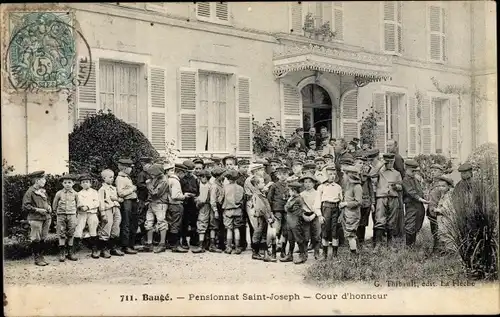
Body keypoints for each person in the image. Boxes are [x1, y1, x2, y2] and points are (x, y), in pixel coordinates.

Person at [373, 153, 403, 251]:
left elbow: (401, 186)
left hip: (393, 197)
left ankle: (390, 244)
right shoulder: (380, 172)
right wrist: (381, 164)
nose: (389, 164)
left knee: (392, 221)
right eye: (387, 162)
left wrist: (396, 187)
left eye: (391, 162)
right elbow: (371, 174)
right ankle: (378, 244)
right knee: (379, 220)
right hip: (381, 197)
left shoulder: (397, 173)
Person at [22, 171, 52, 266]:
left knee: (43, 237)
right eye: (43, 179)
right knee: (36, 238)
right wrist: (37, 210)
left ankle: (41, 256)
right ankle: (37, 257)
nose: (45, 181)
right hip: (35, 218)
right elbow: (25, 206)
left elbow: (46, 202)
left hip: (46, 217)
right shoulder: (30, 191)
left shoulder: (43, 191)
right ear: (36, 180)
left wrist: (49, 206)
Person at [314, 165, 342, 259]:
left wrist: (341, 214)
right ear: (326, 175)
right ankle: (324, 254)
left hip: (336, 209)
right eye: (330, 174)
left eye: (334, 174)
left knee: (335, 232)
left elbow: (341, 201)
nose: (332, 176)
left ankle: (335, 254)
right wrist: (319, 215)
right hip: (325, 209)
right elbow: (317, 202)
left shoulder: (338, 187)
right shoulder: (321, 187)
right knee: (325, 231)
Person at [402, 159, 429, 247]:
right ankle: (409, 246)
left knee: (418, 223)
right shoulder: (405, 179)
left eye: (415, 171)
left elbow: (420, 190)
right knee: (410, 225)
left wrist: (424, 197)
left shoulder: (415, 179)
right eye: (412, 171)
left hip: (419, 205)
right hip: (411, 205)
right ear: (406, 169)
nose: (414, 173)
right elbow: (411, 192)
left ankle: (413, 244)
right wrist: (421, 199)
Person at [52, 174, 80, 262]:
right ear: (62, 184)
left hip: (72, 215)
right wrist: (55, 212)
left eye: (69, 182)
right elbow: (54, 204)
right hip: (61, 215)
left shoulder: (75, 194)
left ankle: (70, 252)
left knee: (71, 232)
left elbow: (78, 204)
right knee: (61, 232)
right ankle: (62, 252)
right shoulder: (59, 193)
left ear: (73, 183)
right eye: (65, 183)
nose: (67, 184)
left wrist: (77, 214)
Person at [97, 169, 123, 258]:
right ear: (104, 178)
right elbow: (101, 201)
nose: (112, 179)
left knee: (116, 227)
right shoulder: (102, 189)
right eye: (110, 177)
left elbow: (116, 198)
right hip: (108, 209)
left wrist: (118, 199)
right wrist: (103, 213)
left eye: (113, 177)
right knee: (107, 226)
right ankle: (104, 249)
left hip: (116, 208)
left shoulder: (114, 188)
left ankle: (113, 247)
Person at [143, 164, 169, 253]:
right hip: (152, 203)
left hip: (160, 203)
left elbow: (155, 193)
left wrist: (148, 184)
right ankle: (149, 243)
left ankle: (162, 244)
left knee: (161, 222)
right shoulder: (155, 178)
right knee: (148, 222)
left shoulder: (163, 180)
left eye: (152, 173)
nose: (151, 175)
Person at [115, 158, 139, 254]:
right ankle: (125, 246)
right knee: (126, 223)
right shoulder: (120, 178)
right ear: (124, 168)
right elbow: (120, 193)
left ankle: (131, 244)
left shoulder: (127, 177)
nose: (131, 169)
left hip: (132, 201)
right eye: (129, 167)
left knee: (133, 223)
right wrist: (132, 189)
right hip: (126, 202)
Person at [251, 176, 277, 262]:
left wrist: (270, 214)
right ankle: (255, 253)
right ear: (256, 184)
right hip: (261, 218)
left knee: (263, 234)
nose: (264, 184)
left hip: (264, 218)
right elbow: (261, 208)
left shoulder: (261, 193)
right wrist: (268, 217)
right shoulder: (257, 195)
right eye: (262, 183)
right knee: (258, 234)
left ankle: (263, 253)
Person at [74, 174, 100, 259]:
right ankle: (74, 250)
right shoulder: (79, 193)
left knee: (93, 230)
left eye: (87, 182)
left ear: (90, 183)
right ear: (80, 184)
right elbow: (78, 203)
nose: (85, 184)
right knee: (78, 229)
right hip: (82, 213)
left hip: (92, 212)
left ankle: (94, 250)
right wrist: (81, 207)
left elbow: (96, 203)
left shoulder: (94, 192)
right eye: (83, 182)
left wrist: (88, 206)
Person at [427, 175, 454, 253]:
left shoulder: (448, 196)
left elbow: (446, 209)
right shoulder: (443, 195)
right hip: (442, 219)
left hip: (446, 218)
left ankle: (450, 251)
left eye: (443, 186)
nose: (441, 188)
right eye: (440, 186)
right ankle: (445, 250)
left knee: (446, 234)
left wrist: (437, 209)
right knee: (442, 233)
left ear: (449, 187)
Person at [339, 165, 363, 255]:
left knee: (350, 234)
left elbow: (359, 202)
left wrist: (346, 204)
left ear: (349, 175)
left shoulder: (357, 187)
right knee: (349, 234)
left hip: (353, 214)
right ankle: (355, 250)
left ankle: (354, 254)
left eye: (344, 174)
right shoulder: (348, 186)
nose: (343, 176)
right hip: (347, 213)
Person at [267, 165, 289, 256]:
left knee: (285, 231)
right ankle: (273, 251)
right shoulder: (274, 186)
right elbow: (269, 199)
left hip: (287, 211)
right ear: (277, 175)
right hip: (277, 211)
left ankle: (283, 250)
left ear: (287, 175)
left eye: (284, 174)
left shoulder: (289, 185)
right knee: (275, 231)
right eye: (280, 174)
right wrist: (270, 211)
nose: (282, 176)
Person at [167, 163, 189, 253]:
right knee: (176, 224)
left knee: (172, 223)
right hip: (176, 204)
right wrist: (184, 196)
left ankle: (171, 243)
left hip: (170, 204)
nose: (184, 176)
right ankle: (175, 245)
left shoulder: (169, 179)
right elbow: (175, 195)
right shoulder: (176, 181)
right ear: (180, 172)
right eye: (184, 173)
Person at [222, 169, 245, 254]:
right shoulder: (241, 188)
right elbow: (243, 200)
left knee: (229, 229)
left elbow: (221, 199)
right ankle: (237, 247)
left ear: (228, 178)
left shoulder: (225, 188)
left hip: (228, 210)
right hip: (238, 210)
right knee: (236, 229)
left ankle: (228, 247)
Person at [283, 182, 307, 264]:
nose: (289, 192)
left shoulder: (297, 199)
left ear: (293, 191)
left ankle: (302, 255)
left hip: (295, 221)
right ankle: (290, 255)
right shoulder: (293, 198)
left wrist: (288, 201)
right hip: (290, 221)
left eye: (290, 190)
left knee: (298, 239)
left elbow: (287, 208)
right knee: (290, 239)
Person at [300, 174, 321, 259]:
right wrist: (303, 215)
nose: (308, 184)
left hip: (315, 215)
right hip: (305, 216)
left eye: (310, 182)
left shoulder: (317, 193)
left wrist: (314, 214)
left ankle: (317, 252)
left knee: (316, 235)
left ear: (313, 183)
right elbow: (300, 206)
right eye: (305, 182)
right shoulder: (302, 194)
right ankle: (304, 254)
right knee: (305, 235)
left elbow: (318, 205)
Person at [180, 159, 200, 250]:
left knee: (193, 222)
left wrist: (195, 195)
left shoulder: (195, 179)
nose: (189, 174)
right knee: (184, 223)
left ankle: (193, 240)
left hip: (193, 203)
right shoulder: (181, 179)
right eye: (188, 172)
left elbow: (198, 191)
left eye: (191, 172)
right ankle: (184, 240)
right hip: (184, 203)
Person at [355, 154, 374, 244]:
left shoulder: (368, 178)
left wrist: (372, 203)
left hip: (366, 202)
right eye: (360, 163)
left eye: (363, 164)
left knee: (364, 223)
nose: (362, 166)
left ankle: (361, 241)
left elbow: (371, 190)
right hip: (356, 202)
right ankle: (355, 241)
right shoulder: (354, 176)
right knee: (356, 221)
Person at [193, 169, 213, 253]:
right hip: (209, 206)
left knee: (202, 222)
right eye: (201, 177)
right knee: (208, 224)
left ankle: (201, 246)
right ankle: (208, 244)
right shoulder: (209, 185)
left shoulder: (205, 186)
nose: (201, 178)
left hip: (204, 206)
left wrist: (196, 201)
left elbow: (202, 200)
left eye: (203, 177)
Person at [136, 156, 154, 246]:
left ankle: (149, 238)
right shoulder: (142, 174)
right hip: (143, 199)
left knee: (149, 219)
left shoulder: (151, 174)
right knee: (142, 218)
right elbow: (139, 184)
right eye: (143, 164)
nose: (144, 166)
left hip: (150, 199)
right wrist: (147, 185)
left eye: (146, 164)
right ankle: (141, 238)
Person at [209, 167, 226, 252]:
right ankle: (212, 245)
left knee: (220, 226)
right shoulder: (214, 186)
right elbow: (212, 200)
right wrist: (215, 210)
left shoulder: (221, 184)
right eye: (223, 175)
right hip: (215, 207)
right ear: (218, 176)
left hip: (221, 207)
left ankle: (220, 244)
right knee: (214, 226)